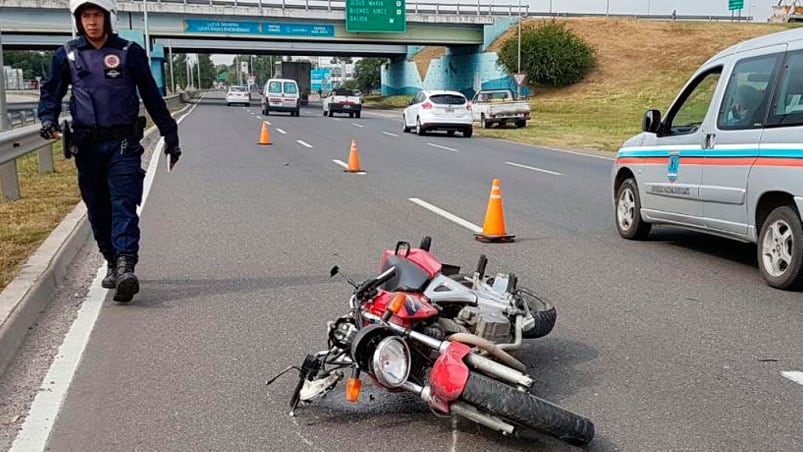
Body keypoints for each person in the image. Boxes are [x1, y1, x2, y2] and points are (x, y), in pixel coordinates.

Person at [38, 0, 182, 303]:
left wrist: (170, 134)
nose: (92, 22)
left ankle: (127, 265)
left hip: (123, 144)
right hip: (87, 146)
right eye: (86, 16)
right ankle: (112, 261)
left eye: (97, 15)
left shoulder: (129, 52)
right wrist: (47, 118)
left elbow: (151, 95)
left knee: (124, 204)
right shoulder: (67, 55)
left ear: (108, 18)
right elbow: (51, 91)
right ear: (78, 20)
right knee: (98, 208)